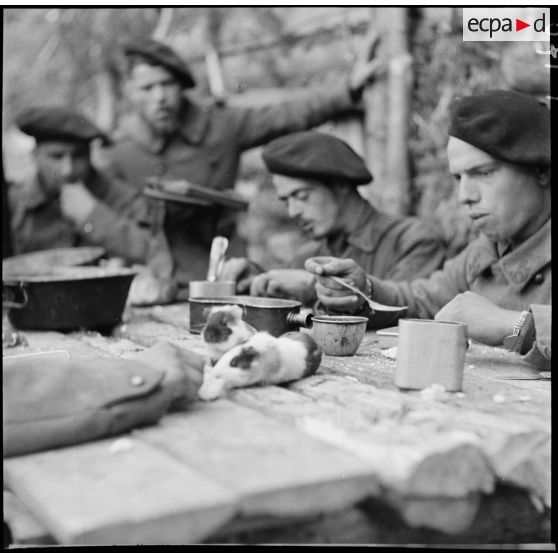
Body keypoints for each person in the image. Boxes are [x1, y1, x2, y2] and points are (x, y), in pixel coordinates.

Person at [100, 36, 384, 297]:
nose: (160, 97)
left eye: (167, 84)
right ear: (130, 93)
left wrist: (345, 91)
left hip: (225, 275)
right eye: (147, 88)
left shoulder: (219, 127)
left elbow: (283, 116)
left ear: (182, 86)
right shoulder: (120, 152)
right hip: (159, 284)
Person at [305, 90, 551, 369]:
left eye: (484, 172)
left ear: (540, 170)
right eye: (459, 177)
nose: (464, 195)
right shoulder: (487, 250)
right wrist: (363, 290)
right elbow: (423, 299)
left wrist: (517, 325)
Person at [220, 131, 447, 307]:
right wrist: (256, 280)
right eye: (286, 201)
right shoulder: (308, 255)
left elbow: (402, 309)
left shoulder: (412, 240)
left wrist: (312, 287)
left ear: (340, 184)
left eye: (301, 196)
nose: (293, 211)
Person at [7, 106, 163, 265]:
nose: (68, 170)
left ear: (90, 155)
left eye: (78, 156)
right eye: (56, 156)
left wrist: (93, 216)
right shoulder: (15, 202)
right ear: (35, 156)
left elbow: (159, 252)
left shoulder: (120, 196)